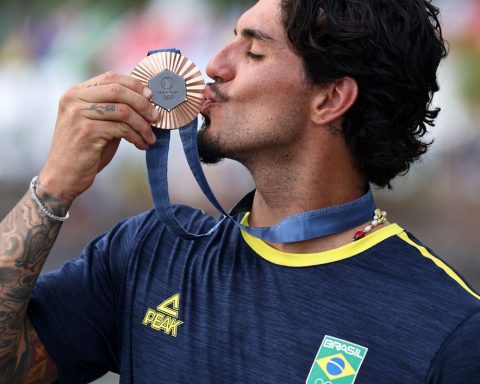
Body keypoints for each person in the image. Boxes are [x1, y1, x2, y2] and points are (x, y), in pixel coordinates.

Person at [1, 0, 479, 383]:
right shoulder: (148, 251)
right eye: (231, 38)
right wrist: (55, 186)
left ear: (330, 98)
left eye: (253, 52)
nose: (213, 65)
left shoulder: (450, 329)